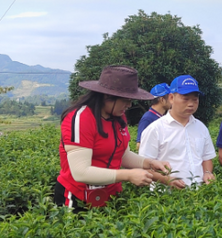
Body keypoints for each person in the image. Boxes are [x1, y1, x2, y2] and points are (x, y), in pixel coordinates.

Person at [56, 66, 171, 209]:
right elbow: (81, 172)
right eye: (125, 100)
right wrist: (128, 175)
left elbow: (122, 155)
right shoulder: (81, 118)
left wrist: (151, 163)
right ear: (107, 96)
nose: (129, 105)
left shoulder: (118, 116)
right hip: (78, 198)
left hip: (110, 195)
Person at [139, 75, 216, 188]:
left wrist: (207, 173)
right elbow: (144, 166)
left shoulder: (201, 127)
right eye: (185, 98)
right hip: (166, 198)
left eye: (195, 99)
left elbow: (206, 158)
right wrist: (166, 180)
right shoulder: (155, 129)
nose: (191, 104)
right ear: (171, 98)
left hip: (199, 194)